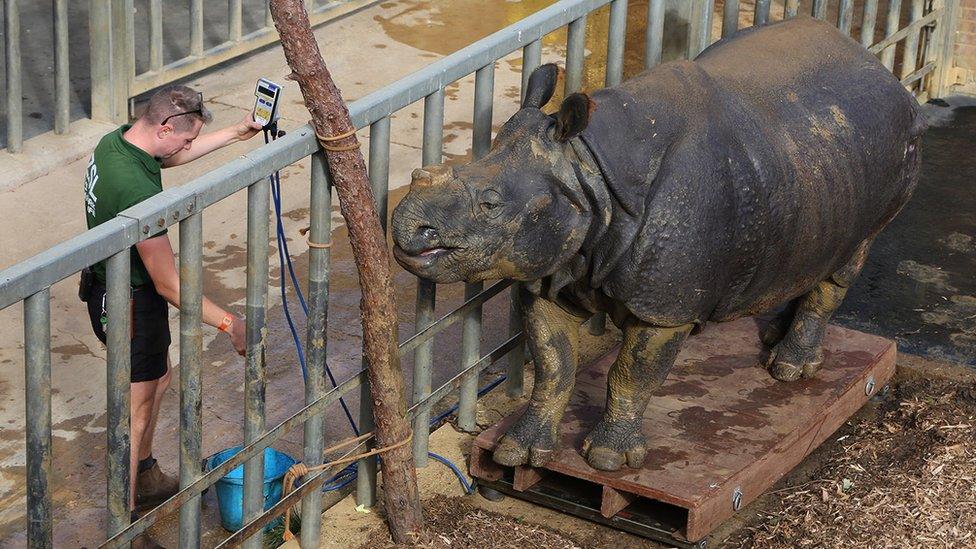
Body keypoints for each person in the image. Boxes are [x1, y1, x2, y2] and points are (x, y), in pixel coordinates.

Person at [83, 85, 262, 548]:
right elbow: (169, 285)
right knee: (135, 410)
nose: (186, 149)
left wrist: (235, 134)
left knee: (157, 380)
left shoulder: (119, 140)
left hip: (127, 287)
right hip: (127, 300)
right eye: (185, 140)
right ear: (164, 127)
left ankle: (143, 475)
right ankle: (125, 526)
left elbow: (168, 158)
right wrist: (231, 324)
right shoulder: (137, 191)